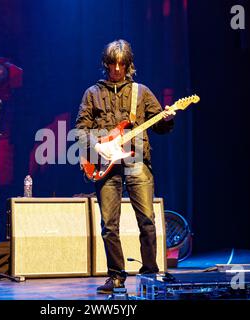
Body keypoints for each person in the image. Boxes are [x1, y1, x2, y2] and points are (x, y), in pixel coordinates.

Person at [75, 39, 176, 293]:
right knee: (109, 224)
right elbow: (80, 130)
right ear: (106, 64)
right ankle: (116, 276)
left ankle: (150, 273)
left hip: (137, 161)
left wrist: (167, 119)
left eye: (122, 64)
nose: (117, 69)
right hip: (106, 164)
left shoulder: (141, 92)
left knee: (147, 221)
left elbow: (159, 127)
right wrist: (98, 147)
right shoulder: (92, 93)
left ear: (128, 64)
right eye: (113, 63)